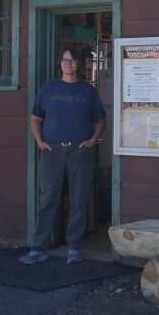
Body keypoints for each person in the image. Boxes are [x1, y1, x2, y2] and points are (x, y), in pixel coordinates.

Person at [20, 46, 106, 265]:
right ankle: (38, 248)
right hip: (52, 151)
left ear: (79, 64)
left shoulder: (87, 92)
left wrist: (92, 142)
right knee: (48, 198)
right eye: (65, 60)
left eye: (73, 60)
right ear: (60, 64)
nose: (69, 64)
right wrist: (40, 142)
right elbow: (35, 119)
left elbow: (100, 120)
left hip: (80, 150)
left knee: (78, 198)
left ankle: (74, 248)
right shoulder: (48, 89)